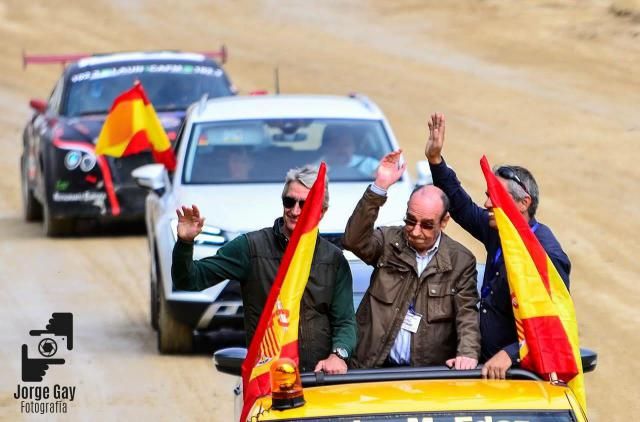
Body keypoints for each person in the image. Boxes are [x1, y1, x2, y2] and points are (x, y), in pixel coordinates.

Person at [425, 113, 571, 380]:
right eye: (488, 197)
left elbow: (555, 324)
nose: (487, 205)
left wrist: (510, 353)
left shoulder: (547, 254)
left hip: (520, 375)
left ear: (524, 203)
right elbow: (462, 207)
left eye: (496, 197)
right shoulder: (500, 230)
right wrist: (436, 160)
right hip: (482, 368)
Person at [171, 165, 356, 374]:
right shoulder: (250, 247)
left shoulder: (334, 260)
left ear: (321, 211)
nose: (295, 211)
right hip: (267, 382)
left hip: (319, 379)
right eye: (289, 201)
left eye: (304, 204)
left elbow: (345, 322)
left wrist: (338, 355)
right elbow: (188, 280)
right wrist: (185, 243)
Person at [342, 150, 480, 369]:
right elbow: (353, 240)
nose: (415, 231)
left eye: (426, 225)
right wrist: (379, 187)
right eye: (410, 221)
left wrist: (467, 354)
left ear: (444, 222)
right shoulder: (389, 242)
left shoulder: (461, 261)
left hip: (425, 378)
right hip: (371, 371)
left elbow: (467, 315)